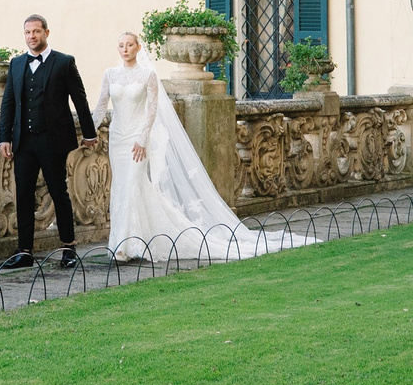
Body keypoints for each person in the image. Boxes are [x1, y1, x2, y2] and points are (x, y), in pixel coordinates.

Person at [98, 31, 280, 261]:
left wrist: (143, 138)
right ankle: (121, 241)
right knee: (121, 187)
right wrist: (89, 131)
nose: (125, 49)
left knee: (134, 183)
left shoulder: (147, 75)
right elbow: (101, 106)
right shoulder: (110, 74)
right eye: (121, 45)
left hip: (136, 139)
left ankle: (130, 245)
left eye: (129, 45)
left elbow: (152, 110)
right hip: (117, 139)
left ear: (138, 48)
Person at [0, 14, 94, 270]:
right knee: (23, 195)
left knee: (58, 193)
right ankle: (24, 251)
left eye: (36, 31)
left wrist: (89, 133)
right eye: (27, 32)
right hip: (24, 142)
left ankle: (68, 248)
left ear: (46, 33)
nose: (32, 36)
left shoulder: (64, 62)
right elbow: (8, 102)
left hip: (53, 140)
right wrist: (4, 137)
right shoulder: (17, 64)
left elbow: (80, 100)